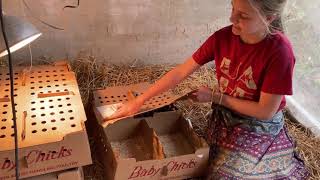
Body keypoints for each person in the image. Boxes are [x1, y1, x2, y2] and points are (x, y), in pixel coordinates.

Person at [109, 0, 309, 179]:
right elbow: (180, 72)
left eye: (243, 15)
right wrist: (139, 101)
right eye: (232, 8)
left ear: (269, 17)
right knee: (207, 164)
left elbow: (265, 112)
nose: (232, 18)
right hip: (226, 116)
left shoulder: (279, 52)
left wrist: (216, 97)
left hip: (258, 124)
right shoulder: (223, 38)